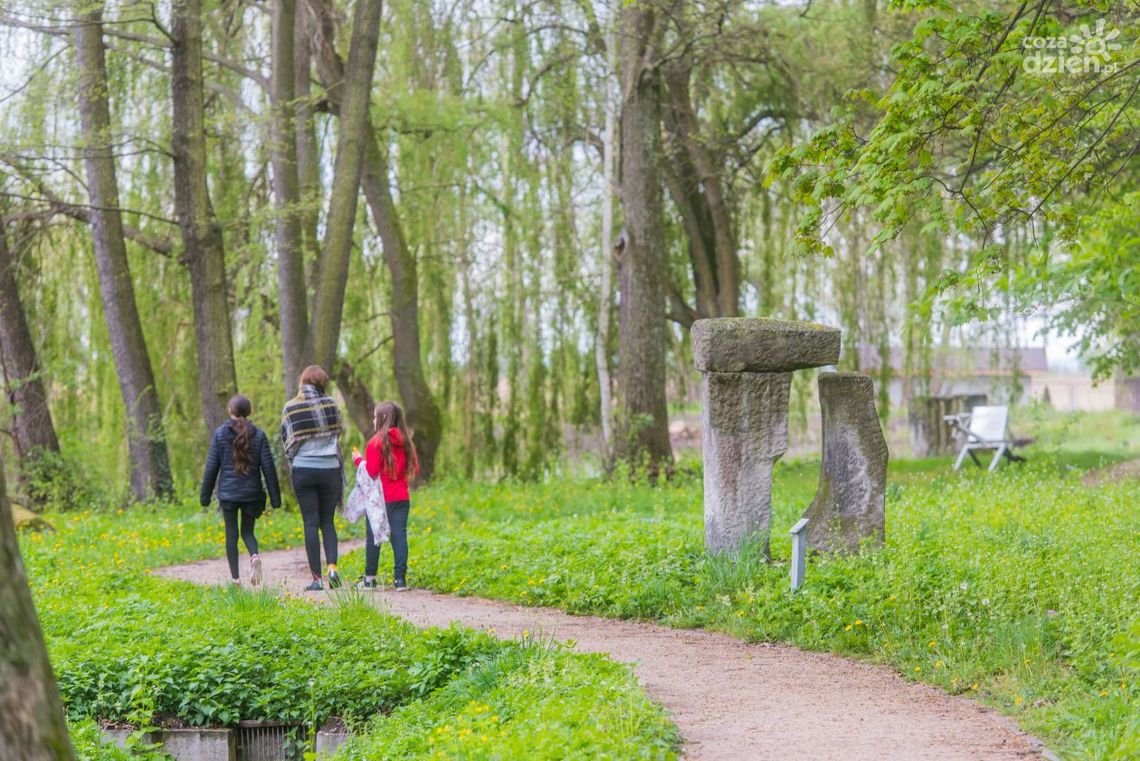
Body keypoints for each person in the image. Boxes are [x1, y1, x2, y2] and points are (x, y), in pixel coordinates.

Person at [200, 394, 281, 586]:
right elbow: (268, 468)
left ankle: (235, 580)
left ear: (230, 411)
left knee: (231, 535)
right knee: (247, 532)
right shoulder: (259, 435)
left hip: (228, 494)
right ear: (249, 412)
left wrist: (205, 497)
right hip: (252, 494)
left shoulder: (220, 434)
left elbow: (212, 467)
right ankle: (254, 557)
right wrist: (275, 498)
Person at [281, 365, 345, 591]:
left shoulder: (291, 407)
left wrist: (296, 459)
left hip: (304, 470)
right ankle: (333, 568)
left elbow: (287, 442)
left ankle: (317, 579)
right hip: (330, 469)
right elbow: (338, 435)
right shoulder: (332, 405)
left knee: (310, 522)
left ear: (303, 381)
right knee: (327, 522)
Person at [352, 401, 419, 590]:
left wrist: (358, 461)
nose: (373, 420)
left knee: (374, 536)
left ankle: (370, 579)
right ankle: (400, 580)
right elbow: (416, 467)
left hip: (381, 500)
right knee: (399, 536)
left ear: (382, 418)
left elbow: (372, 472)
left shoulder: (376, 443)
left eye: (375, 416)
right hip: (402, 497)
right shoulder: (406, 441)